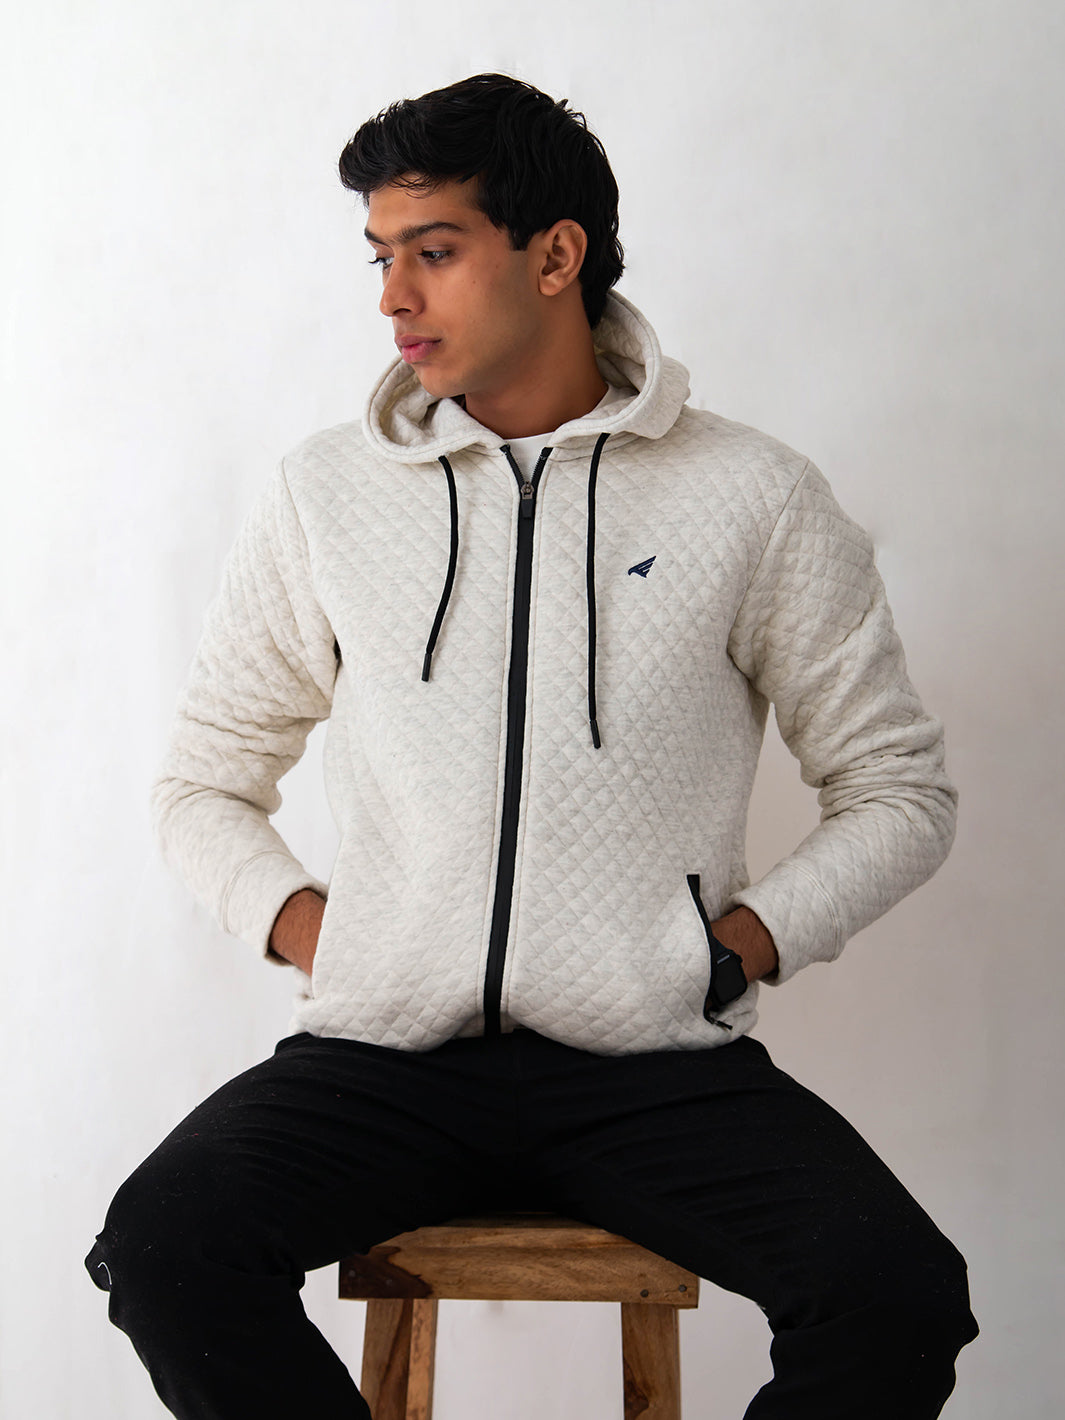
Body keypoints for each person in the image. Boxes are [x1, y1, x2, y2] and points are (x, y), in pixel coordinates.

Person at [86, 73, 978, 1418]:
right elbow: (202, 780)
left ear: (555, 256)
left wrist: (730, 950)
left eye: (434, 251)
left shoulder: (752, 497)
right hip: (386, 1063)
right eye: (381, 257)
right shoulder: (327, 496)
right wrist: (327, 935)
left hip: (653, 1066)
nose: (393, 297)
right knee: (166, 1248)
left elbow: (896, 790)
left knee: (895, 1294)